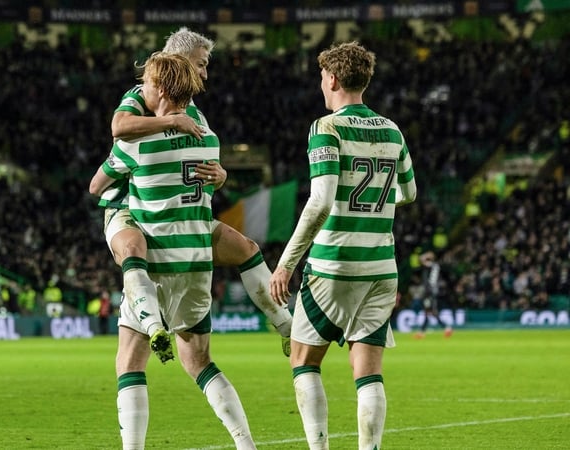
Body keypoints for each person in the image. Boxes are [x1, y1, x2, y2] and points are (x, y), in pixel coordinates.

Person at [90, 52, 256, 450]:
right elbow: (212, 178)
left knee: (130, 362)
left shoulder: (137, 142)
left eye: (147, 83)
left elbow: (96, 185)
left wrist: (126, 179)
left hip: (156, 262)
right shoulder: (209, 139)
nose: (141, 89)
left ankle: (151, 325)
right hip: (197, 265)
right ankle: (245, 443)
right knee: (200, 363)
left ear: (161, 89)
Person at [103, 26, 293, 360]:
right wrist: (170, 122)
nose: (205, 73)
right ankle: (151, 323)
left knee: (246, 249)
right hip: (132, 209)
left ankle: (289, 329)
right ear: (178, 59)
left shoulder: (194, 111)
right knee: (135, 257)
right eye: (201, 64)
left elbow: (202, 168)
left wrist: (221, 175)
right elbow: (119, 127)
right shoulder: (142, 94)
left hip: (179, 212)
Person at [268, 41, 417, 450]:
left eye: (322, 77)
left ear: (332, 79)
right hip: (381, 268)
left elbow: (320, 202)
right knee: (368, 373)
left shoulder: (326, 128)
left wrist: (285, 264)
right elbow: (408, 192)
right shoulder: (392, 130)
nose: (321, 84)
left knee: (304, 362)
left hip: (334, 265)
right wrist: (371, 204)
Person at [415, 251, 453, 338]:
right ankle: (422, 332)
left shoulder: (431, 265)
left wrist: (424, 256)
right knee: (428, 311)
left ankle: (446, 328)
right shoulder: (434, 266)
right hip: (431, 290)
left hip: (430, 291)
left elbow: (420, 259)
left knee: (431, 311)